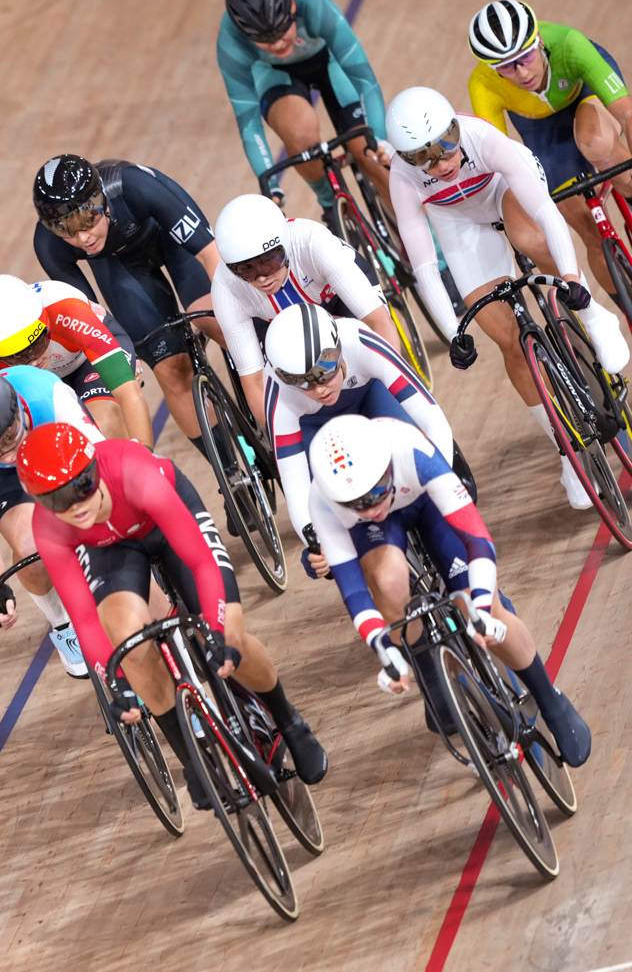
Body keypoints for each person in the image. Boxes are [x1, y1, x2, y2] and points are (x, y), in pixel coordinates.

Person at [20, 422, 328, 799]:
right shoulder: (50, 527)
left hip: (165, 523)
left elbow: (201, 561)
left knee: (228, 632)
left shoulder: (134, 473)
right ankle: (193, 759)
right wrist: (116, 683)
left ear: (96, 470)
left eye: (81, 488)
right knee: (128, 648)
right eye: (56, 501)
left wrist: (216, 629)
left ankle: (289, 720)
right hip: (111, 550)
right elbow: (84, 617)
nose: (75, 506)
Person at [383, 85, 630, 507]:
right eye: (422, 158)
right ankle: (568, 452)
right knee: (509, 342)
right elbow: (425, 265)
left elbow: (547, 215)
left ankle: (592, 319)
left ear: (456, 129)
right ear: (406, 159)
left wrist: (572, 280)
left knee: (531, 240)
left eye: (444, 147)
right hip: (459, 223)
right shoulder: (403, 180)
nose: (439, 164)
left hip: (505, 192)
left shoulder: (484, 140)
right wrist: (452, 332)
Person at [303, 414, 591, 763]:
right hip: (376, 534)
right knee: (385, 582)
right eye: (358, 504)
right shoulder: (323, 501)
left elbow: (479, 542)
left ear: (387, 466)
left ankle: (550, 699)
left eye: (378, 491)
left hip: (424, 500)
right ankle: (428, 664)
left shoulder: (411, 450)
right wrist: (386, 653)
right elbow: (355, 595)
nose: (374, 507)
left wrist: (483, 607)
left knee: (481, 602)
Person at [31, 154, 221, 442]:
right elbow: (88, 317)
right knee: (171, 369)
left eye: (87, 219)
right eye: (65, 228)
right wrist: (121, 359)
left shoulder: (130, 185)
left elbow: (210, 254)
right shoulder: (48, 245)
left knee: (215, 320)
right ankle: (232, 473)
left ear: (101, 200)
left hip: (168, 236)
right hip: (120, 265)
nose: (82, 238)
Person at [466, 0, 632, 306]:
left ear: (539, 40)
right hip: (542, 131)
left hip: (585, 94)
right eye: (506, 67)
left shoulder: (569, 43)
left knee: (597, 145)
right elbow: (501, 160)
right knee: (592, 233)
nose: (521, 72)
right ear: (492, 68)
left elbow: (626, 113)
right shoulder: (483, 83)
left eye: (526, 56)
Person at [0, 366, 103, 677]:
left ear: (18, 409)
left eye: (10, 437)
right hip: (8, 483)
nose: (8, 454)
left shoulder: (46, 394)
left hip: (55, 439)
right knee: (30, 548)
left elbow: (106, 460)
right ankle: (63, 625)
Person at [261, 301, 456, 547]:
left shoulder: (358, 339)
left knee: (426, 463)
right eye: (302, 382)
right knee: (335, 504)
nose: (319, 389)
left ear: (338, 349)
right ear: (284, 377)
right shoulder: (279, 391)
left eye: (325, 371)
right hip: (313, 424)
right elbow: (295, 482)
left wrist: (441, 484)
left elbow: (429, 416)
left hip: (368, 396)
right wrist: (317, 542)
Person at [207, 191, 398, 424]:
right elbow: (255, 381)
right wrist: (279, 441)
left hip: (336, 298)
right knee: (294, 389)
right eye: (246, 270)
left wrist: (399, 392)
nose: (262, 278)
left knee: (374, 376)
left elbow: (376, 323)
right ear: (231, 268)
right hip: (273, 322)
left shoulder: (312, 242)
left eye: (270, 261)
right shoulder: (226, 289)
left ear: (285, 245)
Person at [218, 0, 390, 213]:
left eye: (280, 30)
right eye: (263, 39)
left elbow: (365, 81)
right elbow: (248, 123)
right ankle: (330, 204)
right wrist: (271, 185)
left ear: (293, 8)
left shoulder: (314, 3)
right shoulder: (231, 41)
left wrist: (381, 143)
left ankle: (434, 249)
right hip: (273, 74)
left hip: (328, 60)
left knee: (375, 160)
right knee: (300, 135)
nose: (277, 44)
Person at [0, 273, 150, 445]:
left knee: (102, 424)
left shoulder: (66, 311)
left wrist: (147, 460)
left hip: (86, 359)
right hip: (41, 382)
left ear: (47, 324)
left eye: (36, 346)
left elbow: (129, 394)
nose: (32, 362)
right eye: (16, 358)